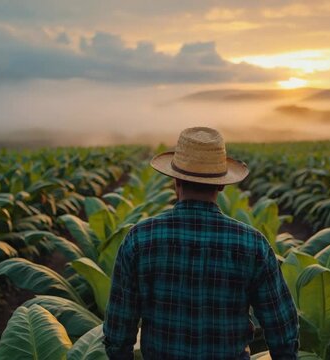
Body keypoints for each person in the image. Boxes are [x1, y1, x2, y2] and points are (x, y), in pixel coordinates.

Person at [103, 127, 299, 359]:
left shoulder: (140, 238)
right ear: (221, 184)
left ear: (176, 180)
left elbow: (118, 332)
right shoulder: (253, 244)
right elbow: (282, 330)